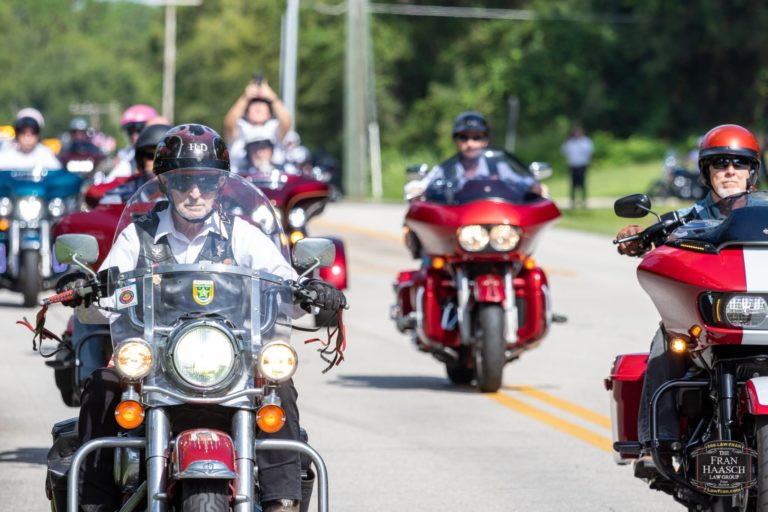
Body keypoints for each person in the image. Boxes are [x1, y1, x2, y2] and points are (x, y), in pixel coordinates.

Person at [58, 123, 346, 512]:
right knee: (102, 385)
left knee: (280, 385)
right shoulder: (137, 236)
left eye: (206, 183)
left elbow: (283, 284)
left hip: (231, 366)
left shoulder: (242, 234)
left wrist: (310, 292)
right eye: (183, 182)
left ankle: (283, 503)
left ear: (221, 187)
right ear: (164, 185)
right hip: (154, 368)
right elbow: (103, 298)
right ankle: (95, 505)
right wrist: (87, 288)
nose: (194, 192)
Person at [615, 123, 759, 476]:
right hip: (711, 321)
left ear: (752, 171)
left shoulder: (764, 214)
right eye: (720, 162)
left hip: (758, 316)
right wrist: (637, 238)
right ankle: (655, 441)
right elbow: (653, 239)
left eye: (738, 163)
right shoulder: (688, 218)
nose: (729, 171)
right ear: (706, 171)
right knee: (669, 339)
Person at [406, 111, 547, 199]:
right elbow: (424, 184)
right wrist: (416, 188)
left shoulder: (498, 167)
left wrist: (535, 186)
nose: (470, 143)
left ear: (485, 141)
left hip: (495, 222)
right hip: (457, 226)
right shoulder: (445, 169)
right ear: (455, 140)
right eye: (463, 137)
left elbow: (521, 182)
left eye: (476, 138)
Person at [224, 76, 292, 171]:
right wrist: (246, 97)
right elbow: (228, 123)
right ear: (246, 111)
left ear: (269, 112)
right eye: (254, 104)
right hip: (242, 180)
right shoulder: (240, 127)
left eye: (263, 104)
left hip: (272, 180)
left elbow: (287, 122)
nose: (258, 107)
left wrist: (272, 96)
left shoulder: (274, 127)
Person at [104, 104, 159, 182]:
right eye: (130, 131)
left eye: (139, 130)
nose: (134, 136)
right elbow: (111, 182)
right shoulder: (125, 155)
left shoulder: (165, 151)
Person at [561, 125, 594, 209]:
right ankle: (573, 201)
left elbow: (589, 151)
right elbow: (563, 151)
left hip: (582, 165)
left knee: (582, 183)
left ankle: (583, 201)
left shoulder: (585, 141)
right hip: (573, 165)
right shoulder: (570, 142)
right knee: (573, 184)